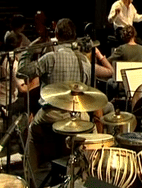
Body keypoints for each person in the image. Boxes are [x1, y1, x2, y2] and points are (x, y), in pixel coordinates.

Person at [17, 18, 99, 184]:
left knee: (31, 132)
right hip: (78, 116)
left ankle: (31, 180)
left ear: (56, 35)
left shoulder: (50, 58)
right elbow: (89, 91)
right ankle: (89, 178)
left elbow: (22, 71)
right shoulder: (84, 61)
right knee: (93, 132)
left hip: (51, 115)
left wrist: (31, 48)